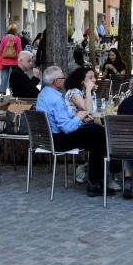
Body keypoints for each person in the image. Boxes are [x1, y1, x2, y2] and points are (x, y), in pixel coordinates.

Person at [35, 65, 107, 197]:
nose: (65, 79)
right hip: (59, 140)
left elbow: (61, 118)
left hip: (48, 138)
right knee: (98, 134)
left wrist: (78, 117)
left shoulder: (44, 94)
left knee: (95, 132)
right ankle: (95, 183)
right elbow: (67, 128)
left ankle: (94, 178)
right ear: (56, 81)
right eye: (62, 77)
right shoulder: (55, 99)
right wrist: (79, 117)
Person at [0, 24, 22, 96]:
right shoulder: (17, 38)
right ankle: (13, 90)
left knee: (4, 76)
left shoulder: (4, 38)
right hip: (15, 60)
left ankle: (2, 92)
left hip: (5, 60)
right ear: (15, 30)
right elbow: (20, 50)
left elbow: (1, 49)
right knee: (14, 76)